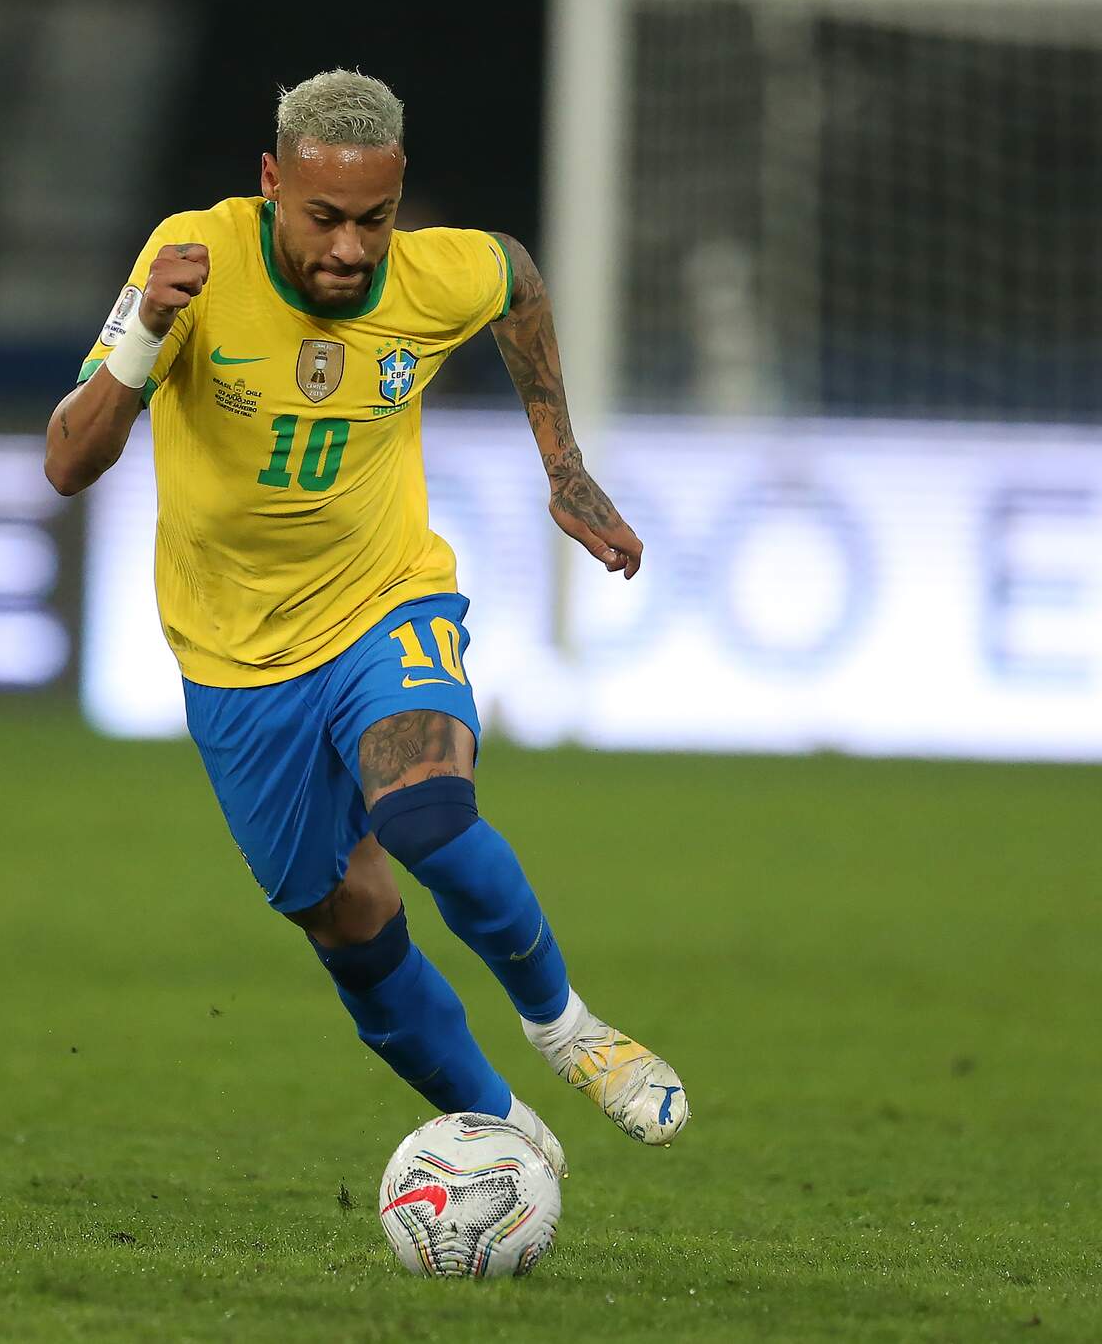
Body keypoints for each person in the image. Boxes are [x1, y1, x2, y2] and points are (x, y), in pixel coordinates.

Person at [43, 70, 687, 1176]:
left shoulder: (434, 272)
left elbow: (516, 280)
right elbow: (65, 460)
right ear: (268, 185)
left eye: (375, 220)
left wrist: (564, 466)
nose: (349, 249)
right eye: (323, 218)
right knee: (343, 918)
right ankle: (507, 1139)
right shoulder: (189, 259)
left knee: (426, 817)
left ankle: (564, 1027)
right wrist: (149, 328)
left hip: (382, 599)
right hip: (234, 656)